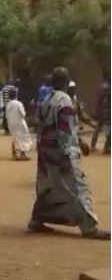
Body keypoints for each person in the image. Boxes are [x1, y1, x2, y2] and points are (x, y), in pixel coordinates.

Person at [28, 67, 109, 240]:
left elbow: (39, 125)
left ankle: (37, 220)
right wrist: (68, 151)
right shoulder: (64, 101)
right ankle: (89, 227)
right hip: (60, 151)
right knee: (77, 187)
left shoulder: (46, 99)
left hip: (46, 150)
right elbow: (64, 129)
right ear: (66, 82)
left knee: (48, 187)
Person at [5, 89, 32, 161]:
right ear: (16, 95)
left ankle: (14, 154)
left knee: (15, 137)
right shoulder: (18, 103)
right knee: (23, 138)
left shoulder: (8, 104)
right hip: (19, 123)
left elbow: (6, 115)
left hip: (11, 123)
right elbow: (23, 114)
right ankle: (23, 154)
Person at [90, 78, 110, 154]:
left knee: (98, 128)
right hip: (106, 112)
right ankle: (106, 148)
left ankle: (92, 146)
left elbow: (99, 101)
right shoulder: (108, 88)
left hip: (101, 112)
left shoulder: (102, 87)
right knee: (109, 130)